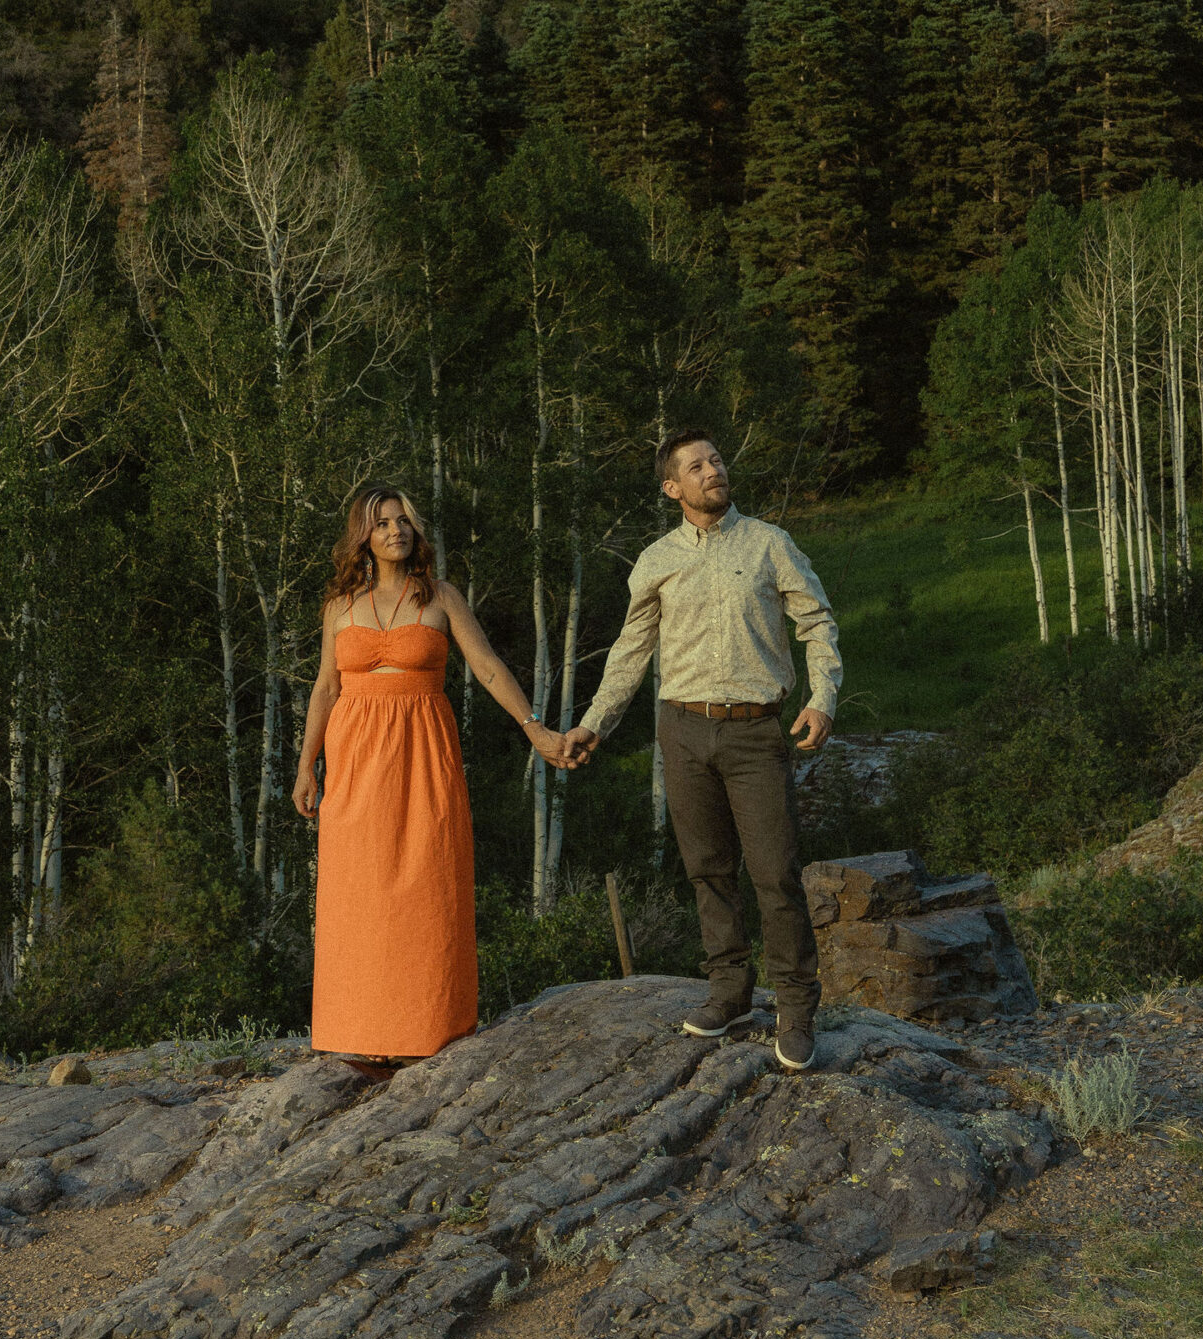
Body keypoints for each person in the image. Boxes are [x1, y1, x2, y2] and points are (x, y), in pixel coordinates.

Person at [561, 431, 841, 1071]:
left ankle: (796, 1012)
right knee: (707, 870)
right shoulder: (656, 559)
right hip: (681, 730)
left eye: (716, 460)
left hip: (755, 731)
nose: (713, 470)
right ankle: (730, 992)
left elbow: (817, 623)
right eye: (697, 466)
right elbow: (630, 653)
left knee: (774, 874)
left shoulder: (770, 543)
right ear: (673, 489)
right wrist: (594, 725)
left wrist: (822, 697)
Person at [294, 482, 569, 1064]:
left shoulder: (440, 596)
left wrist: (535, 728)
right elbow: (325, 687)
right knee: (357, 893)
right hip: (354, 760)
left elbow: (489, 667)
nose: (396, 531)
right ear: (362, 537)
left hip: (423, 752)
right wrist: (306, 766)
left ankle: (429, 1029)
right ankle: (356, 1031)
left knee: (426, 885)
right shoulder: (339, 606)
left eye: (404, 522)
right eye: (383, 523)